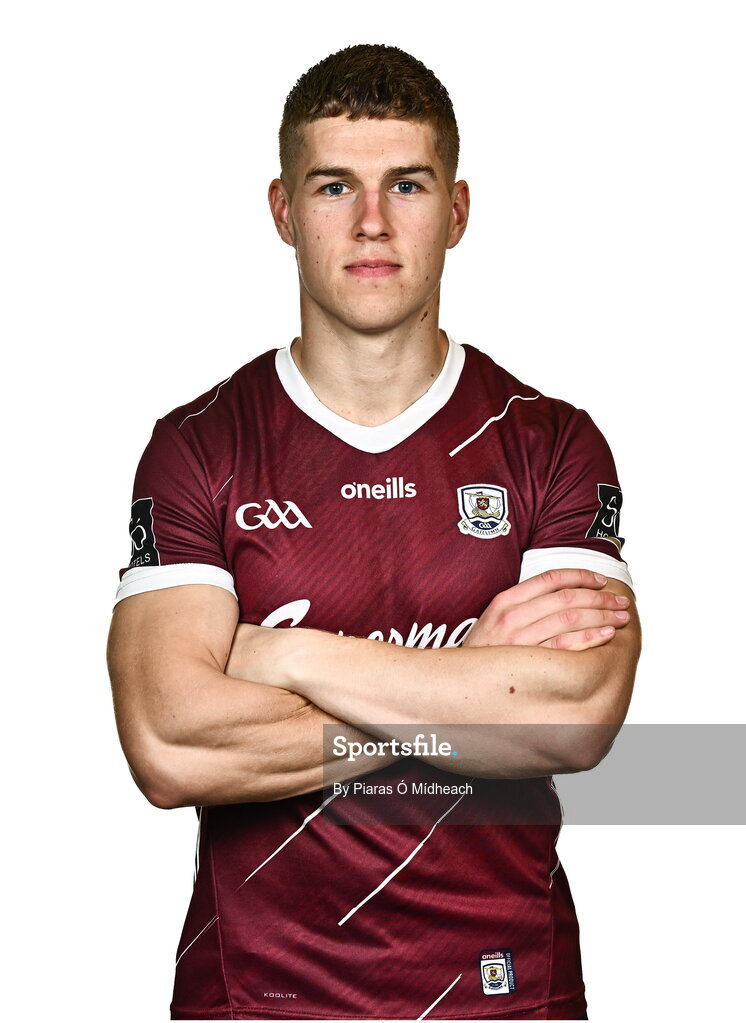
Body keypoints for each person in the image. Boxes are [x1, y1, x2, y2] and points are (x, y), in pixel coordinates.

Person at [107, 43, 641, 1021]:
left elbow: (569, 720)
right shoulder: (199, 447)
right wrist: (468, 709)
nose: (369, 222)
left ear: (456, 210)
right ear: (282, 211)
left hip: (505, 994)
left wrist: (278, 654)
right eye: (331, 186)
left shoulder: (547, 443)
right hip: (256, 1001)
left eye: (405, 183)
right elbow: (169, 748)